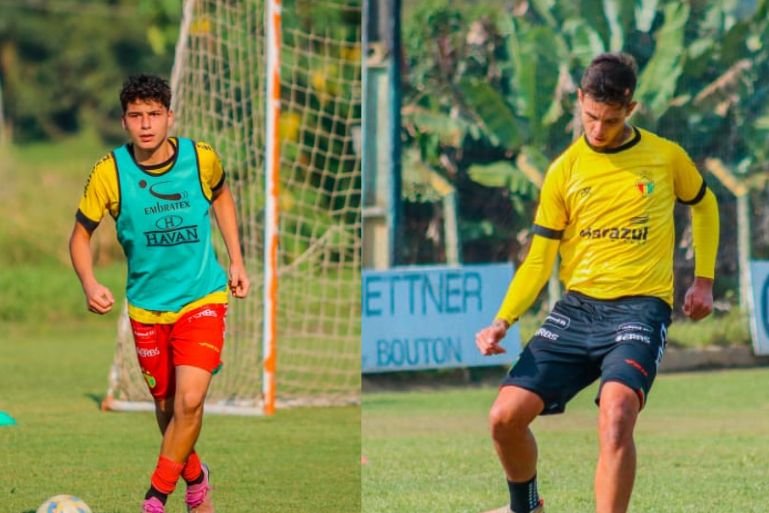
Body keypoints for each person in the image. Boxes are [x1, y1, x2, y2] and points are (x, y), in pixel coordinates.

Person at [475, 52, 719, 513]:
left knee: (617, 416)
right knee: (504, 419)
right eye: (590, 116)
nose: (598, 129)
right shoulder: (564, 171)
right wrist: (502, 320)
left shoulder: (666, 157)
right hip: (577, 311)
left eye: (609, 120)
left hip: (640, 310)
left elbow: (704, 205)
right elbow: (538, 259)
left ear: (629, 108)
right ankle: (525, 507)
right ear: (580, 100)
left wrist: (703, 280)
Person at [69, 74, 250, 513]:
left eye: (154, 114)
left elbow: (222, 195)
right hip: (148, 308)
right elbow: (79, 237)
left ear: (170, 116)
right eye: (136, 116)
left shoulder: (200, 158)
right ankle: (196, 478)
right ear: (124, 121)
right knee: (169, 410)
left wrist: (237, 259)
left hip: (202, 297)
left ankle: (155, 499)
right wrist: (90, 283)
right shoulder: (110, 172)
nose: (146, 124)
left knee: (191, 399)